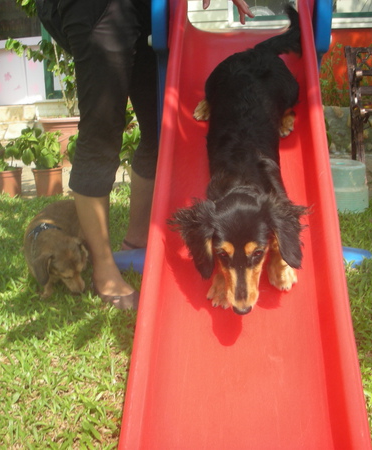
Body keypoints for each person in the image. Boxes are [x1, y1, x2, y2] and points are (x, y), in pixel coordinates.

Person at [58, 0, 254, 309]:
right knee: (103, 129)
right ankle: (104, 268)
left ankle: (136, 241)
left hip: (144, 7)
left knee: (160, 127)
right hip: (95, 6)